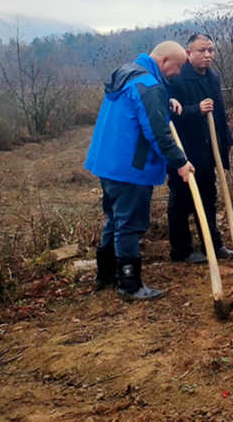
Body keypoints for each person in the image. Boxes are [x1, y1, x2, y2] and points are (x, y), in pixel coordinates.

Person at [85, 41, 195, 300]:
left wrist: (164, 103)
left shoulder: (128, 75)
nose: (178, 72)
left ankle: (106, 274)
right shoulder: (148, 86)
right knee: (129, 225)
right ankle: (129, 283)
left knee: (114, 219)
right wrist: (180, 162)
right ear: (165, 61)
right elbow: (157, 134)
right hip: (130, 168)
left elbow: (139, 111)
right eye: (178, 66)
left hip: (108, 163)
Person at [166, 33, 233, 264]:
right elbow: (169, 117)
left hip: (208, 150)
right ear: (188, 54)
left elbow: (220, 113)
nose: (207, 55)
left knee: (208, 198)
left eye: (211, 50)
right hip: (183, 152)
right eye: (201, 51)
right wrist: (196, 109)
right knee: (182, 201)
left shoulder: (213, 78)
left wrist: (227, 140)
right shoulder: (176, 78)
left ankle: (213, 245)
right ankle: (181, 251)